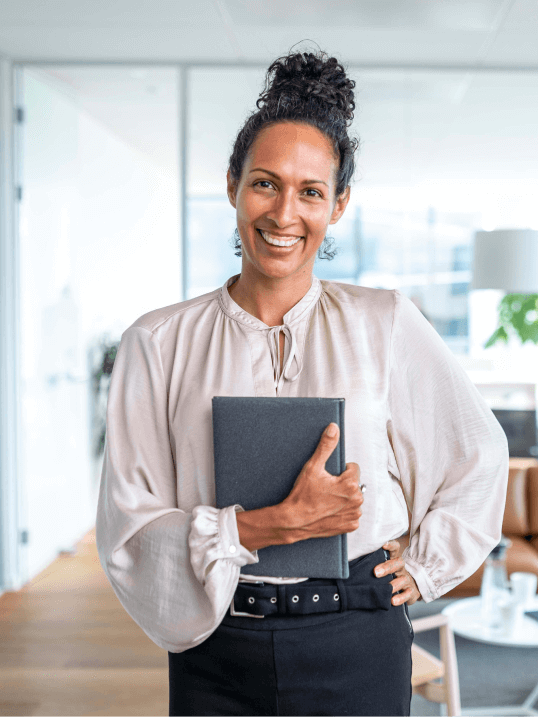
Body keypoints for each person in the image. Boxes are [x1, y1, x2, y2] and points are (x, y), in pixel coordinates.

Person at [96, 48, 510, 717]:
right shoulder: (157, 341)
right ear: (232, 183)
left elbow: (479, 453)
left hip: (358, 633)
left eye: (311, 191)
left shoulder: (387, 322)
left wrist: (427, 564)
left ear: (338, 204)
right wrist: (266, 525)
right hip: (217, 641)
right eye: (265, 182)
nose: (284, 212)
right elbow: (128, 529)